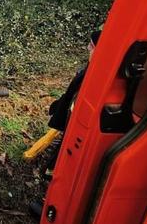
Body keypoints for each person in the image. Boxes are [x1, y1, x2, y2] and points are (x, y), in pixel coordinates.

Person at [29, 30, 101, 219]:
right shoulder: (92, 71)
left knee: (64, 171)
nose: (87, 48)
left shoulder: (93, 78)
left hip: (76, 136)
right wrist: (59, 107)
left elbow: (76, 103)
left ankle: (52, 210)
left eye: (91, 46)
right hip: (72, 131)